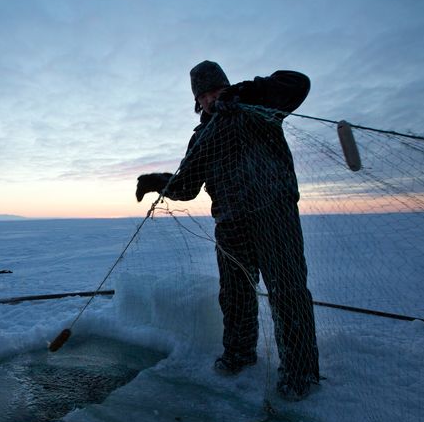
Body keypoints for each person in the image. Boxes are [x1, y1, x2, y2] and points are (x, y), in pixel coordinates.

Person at [135, 61, 319, 400]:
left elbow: (299, 83)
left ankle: (300, 372)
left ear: (226, 86)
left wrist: (244, 92)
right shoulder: (202, 136)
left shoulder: (256, 106)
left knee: (287, 292)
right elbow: (187, 186)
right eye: (202, 95)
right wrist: (157, 181)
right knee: (234, 295)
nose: (209, 99)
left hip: (273, 213)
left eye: (215, 90)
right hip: (230, 222)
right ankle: (239, 353)